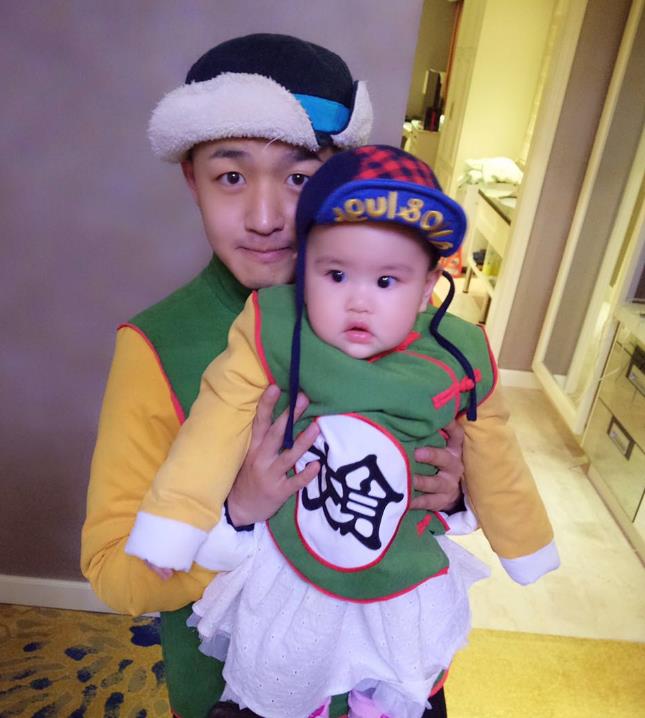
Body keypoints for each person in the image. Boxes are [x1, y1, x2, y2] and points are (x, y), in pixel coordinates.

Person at [81, 34, 467, 718]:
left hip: (397, 679)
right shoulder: (156, 347)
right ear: (191, 180)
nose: (264, 219)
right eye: (231, 177)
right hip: (240, 694)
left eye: (299, 177)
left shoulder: (409, 323)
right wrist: (235, 513)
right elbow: (114, 572)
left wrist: (456, 492)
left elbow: (465, 474)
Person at [125, 145, 560, 718]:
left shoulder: (459, 352)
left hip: (399, 571)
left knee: (397, 677)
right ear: (304, 269)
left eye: (387, 280)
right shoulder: (273, 326)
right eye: (335, 275)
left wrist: (521, 540)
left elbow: (494, 451)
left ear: (428, 285)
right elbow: (214, 425)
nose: (358, 300)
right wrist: (174, 524)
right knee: (281, 672)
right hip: (292, 565)